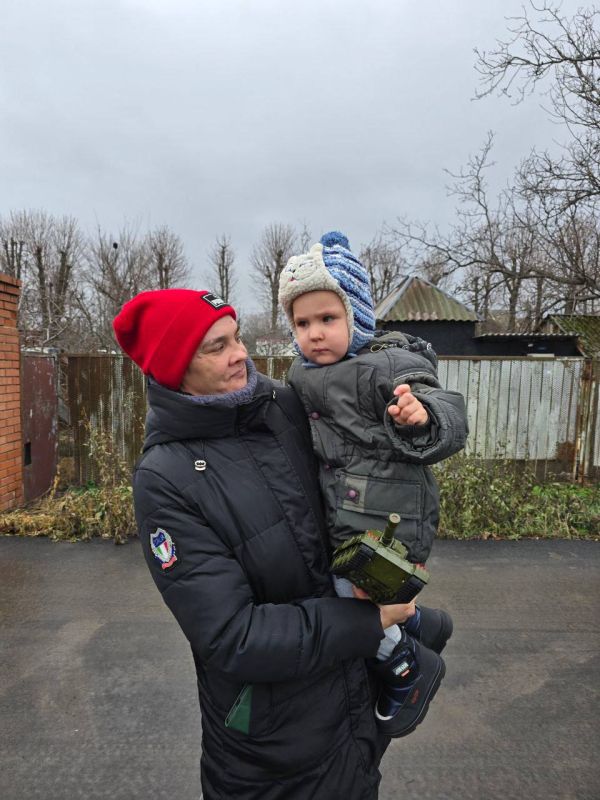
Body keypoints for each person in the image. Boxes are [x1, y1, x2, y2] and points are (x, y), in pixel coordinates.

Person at [112, 288, 419, 800]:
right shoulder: (165, 478)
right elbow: (234, 636)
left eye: (237, 337)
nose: (240, 354)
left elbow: (360, 472)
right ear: (174, 367)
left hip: (352, 711)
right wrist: (371, 621)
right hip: (271, 752)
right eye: (216, 347)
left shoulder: (281, 404)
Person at [278, 231, 468, 738]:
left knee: (352, 604)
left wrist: (418, 414)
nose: (314, 333)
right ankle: (422, 625)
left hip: (389, 515)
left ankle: (407, 666)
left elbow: (445, 408)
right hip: (346, 513)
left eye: (328, 318)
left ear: (357, 318)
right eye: (302, 322)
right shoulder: (301, 375)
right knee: (354, 590)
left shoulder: (387, 365)